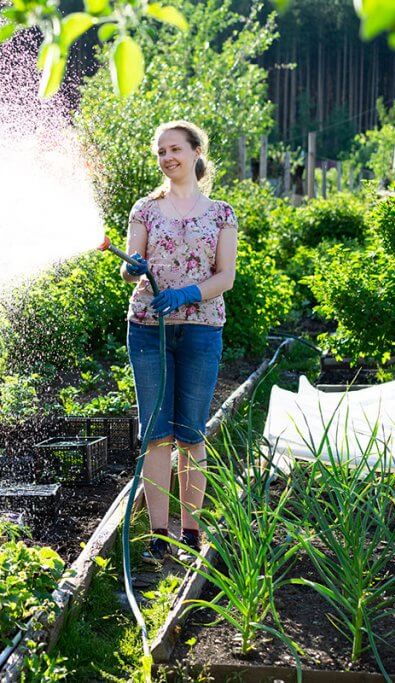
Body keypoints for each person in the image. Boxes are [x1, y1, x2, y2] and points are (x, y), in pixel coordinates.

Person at [119, 120, 238, 564]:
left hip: (202, 329)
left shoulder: (222, 212)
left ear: (194, 152)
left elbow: (225, 276)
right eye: (161, 152)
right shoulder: (145, 209)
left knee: (190, 433)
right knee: (155, 435)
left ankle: (189, 532)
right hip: (149, 327)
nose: (167, 158)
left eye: (175, 149)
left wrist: (189, 293)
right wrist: (132, 269)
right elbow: (131, 266)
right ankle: (157, 536)